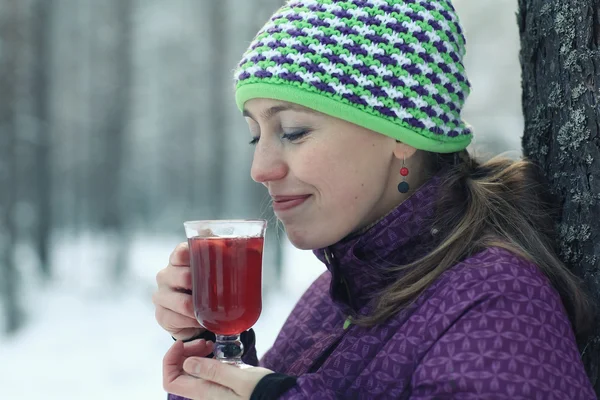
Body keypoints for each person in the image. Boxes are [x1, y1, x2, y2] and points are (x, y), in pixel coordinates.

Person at [153, 0, 597, 398]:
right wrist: (213, 350)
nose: (261, 169)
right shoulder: (339, 294)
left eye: (293, 131)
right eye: (256, 137)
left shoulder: (498, 306)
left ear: (402, 135)